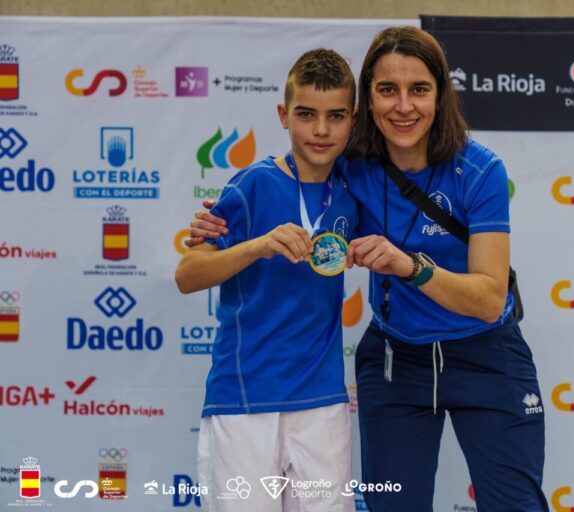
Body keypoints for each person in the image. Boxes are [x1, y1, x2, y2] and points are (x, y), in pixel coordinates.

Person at [188, 27, 548, 512]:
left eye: (419, 89)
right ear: (369, 104)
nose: (403, 106)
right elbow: (290, 179)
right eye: (386, 90)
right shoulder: (349, 165)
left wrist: (411, 267)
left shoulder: (480, 170)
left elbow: (488, 300)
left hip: (485, 355)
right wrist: (223, 223)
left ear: (441, 95)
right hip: (397, 361)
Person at [175, 48, 358, 512]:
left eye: (335, 117)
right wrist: (257, 245)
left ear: (353, 120)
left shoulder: (356, 190)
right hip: (245, 394)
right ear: (283, 115)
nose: (320, 130)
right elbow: (188, 274)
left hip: (322, 399)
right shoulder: (252, 183)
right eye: (306, 115)